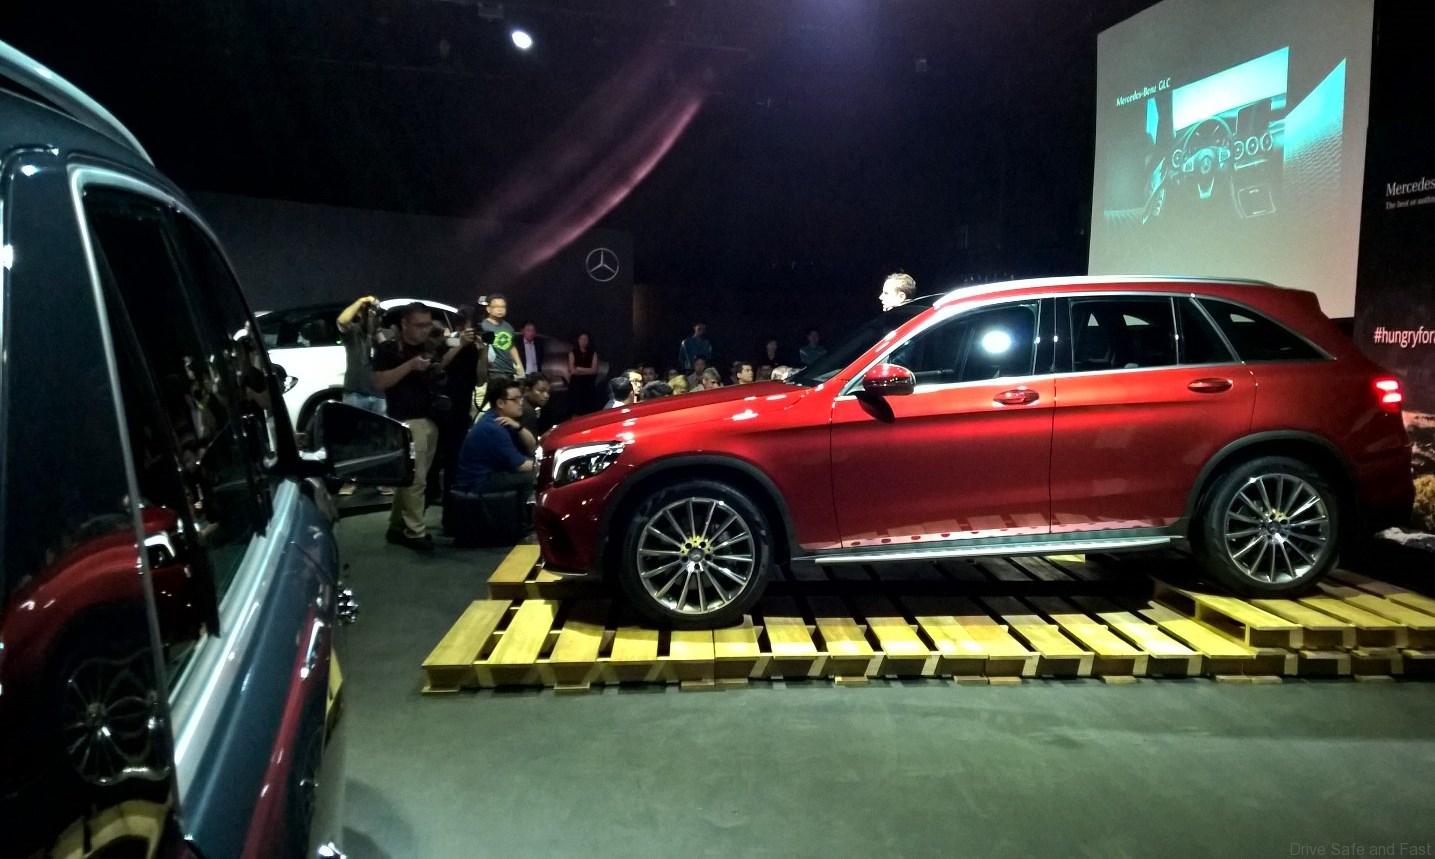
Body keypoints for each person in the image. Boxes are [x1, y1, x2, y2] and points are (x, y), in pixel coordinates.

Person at [372, 303, 446, 551]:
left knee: (410, 478)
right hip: (406, 420)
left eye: (428, 325)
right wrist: (410, 366)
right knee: (416, 480)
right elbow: (379, 382)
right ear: (404, 324)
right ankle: (415, 532)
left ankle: (396, 526)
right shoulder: (389, 349)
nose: (424, 330)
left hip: (430, 418)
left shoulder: (429, 347)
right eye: (419, 325)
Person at [453, 379, 536, 499]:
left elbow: (532, 447)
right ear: (500, 403)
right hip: (477, 482)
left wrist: (519, 427)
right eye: (515, 399)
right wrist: (544, 466)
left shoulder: (503, 420)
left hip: (489, 475)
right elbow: (521, 465)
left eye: (521, 398)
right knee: (533, 476)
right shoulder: (493, 428)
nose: (521, 403)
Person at [436, 305, 487, 500]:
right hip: (443, 406)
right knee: (439, 454)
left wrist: (482, 354)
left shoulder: (475, 348)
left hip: (462, 407)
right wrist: (460, 345)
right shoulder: (448, 341)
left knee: (456, 456)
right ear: (459, 326)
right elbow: (438, 366)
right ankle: (434, 491)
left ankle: (451, 499)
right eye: (469, 327)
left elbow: (481, 380)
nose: (472, 332)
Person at [336, 295, 386, 414]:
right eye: (369, 313)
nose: (373, 316)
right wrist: (361, 301)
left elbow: (388, 352)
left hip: (380, 396)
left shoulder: (384, 334)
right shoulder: (353, 331)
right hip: (355, 395)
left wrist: (377, 330)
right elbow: (342, 321)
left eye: (377, 313)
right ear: (359, 314)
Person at [481, 293, 523, 386]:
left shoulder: (508, 327)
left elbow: (511, 347)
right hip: (493, 371)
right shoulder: (484, 326)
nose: (500, 309)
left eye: (503, 307)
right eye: (496, 306)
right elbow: (484, 349)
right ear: (488, 309)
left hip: (509, 370)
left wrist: (519, 365)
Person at [568, 331, 599, 414]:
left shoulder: (593, 353)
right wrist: (588, 370)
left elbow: (594, 370)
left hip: (589, 382)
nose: (583, 341)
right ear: (578, 340)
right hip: (576, 382)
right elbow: (572, 371)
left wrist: (579, 369)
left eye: (585, 339)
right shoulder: (572, 353)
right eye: (581, 339)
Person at [518, 372, 553, 444]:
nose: (546, 396)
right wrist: (543, 438)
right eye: (541, 391)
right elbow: (531, 446)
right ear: (527, 390)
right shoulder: (528, 411)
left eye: (548, 392)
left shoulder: (522, 404)